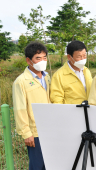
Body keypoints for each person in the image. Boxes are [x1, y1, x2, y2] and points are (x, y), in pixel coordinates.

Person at [12, 42, 51, 170]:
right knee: (37, 166)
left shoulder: (47, 77)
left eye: (44, 57)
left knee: (50, 164)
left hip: (49, 129)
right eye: (38, 58)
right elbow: (20, 109)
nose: (42, 61)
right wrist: (26, 133)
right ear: (29, 60)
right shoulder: (21, 81)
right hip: (35, 133)